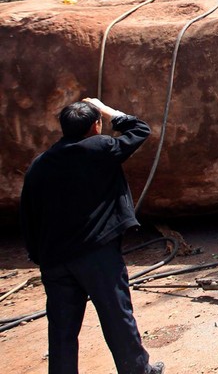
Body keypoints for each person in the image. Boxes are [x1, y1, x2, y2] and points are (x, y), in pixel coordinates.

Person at [19, 98, 164, 374]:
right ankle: (137, 371)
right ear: (96, 125)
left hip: (55, 260)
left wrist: (40, 256)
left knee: (62, 329)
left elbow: (28, 216)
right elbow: (140, 130)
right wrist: (109, 111)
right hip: (96, 256)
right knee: (116, 316)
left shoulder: (39, 164)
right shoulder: (99, 147)